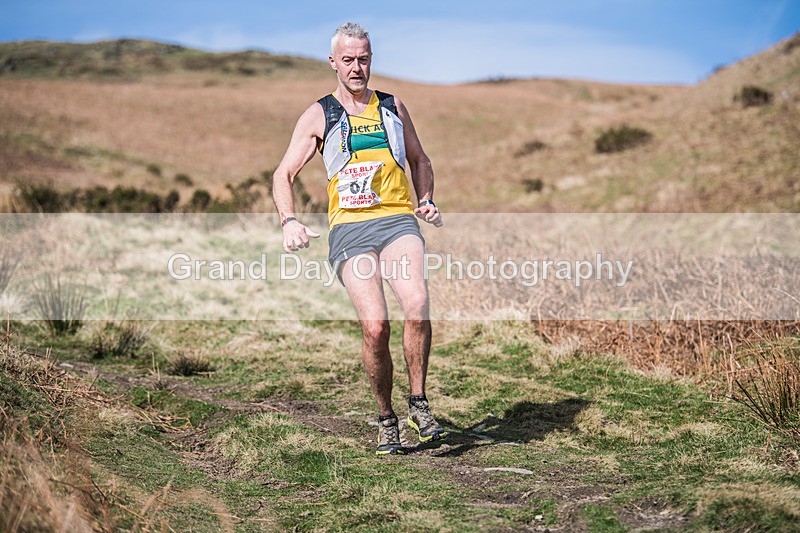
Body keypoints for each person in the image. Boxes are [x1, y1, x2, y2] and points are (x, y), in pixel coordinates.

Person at [271, 22, 446, 455]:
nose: (356, 67)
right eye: (347, 60)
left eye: (363, 59)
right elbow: (283, 174)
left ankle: (419, 403)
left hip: (397, 222)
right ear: (333, 62)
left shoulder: (392, 106)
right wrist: (289, 220)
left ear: (372, 59)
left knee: (418, 304)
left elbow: (421, 159)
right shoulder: (319, 114)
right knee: (375, 326)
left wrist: (425, 198)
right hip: (350, 229)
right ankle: (387, 417)